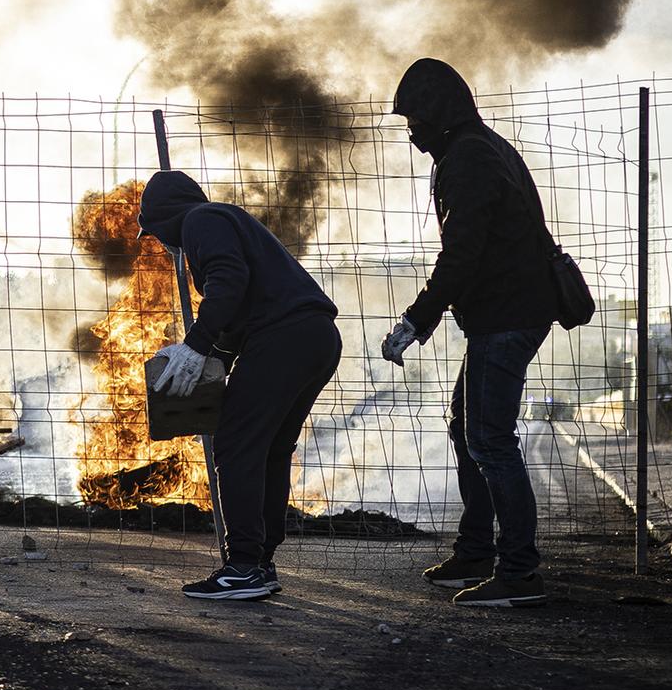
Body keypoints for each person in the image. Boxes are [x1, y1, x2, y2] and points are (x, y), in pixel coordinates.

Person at [380, 57, 557, 608]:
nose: (411, 133)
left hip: (507, 317)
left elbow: (463, 254)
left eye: (415, 120)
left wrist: (418, 317)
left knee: (489, 439)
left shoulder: (469, 159)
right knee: (466, 428)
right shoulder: (482, 148)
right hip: (506, 312)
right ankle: (477, 550)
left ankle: (519, 572)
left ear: (438, 114)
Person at [140, 170, 341, 600]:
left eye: (154, 231)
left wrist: (195, 347)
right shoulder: (222, 220)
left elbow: (228, 283)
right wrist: (213, 365)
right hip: (315, 338)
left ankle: (244, 567)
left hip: (284, 337)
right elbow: (235, 317)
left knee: (236, 445)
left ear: (162, 219)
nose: (158, 241)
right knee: (269, 448)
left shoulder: (201, 221)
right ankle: (260, 562)